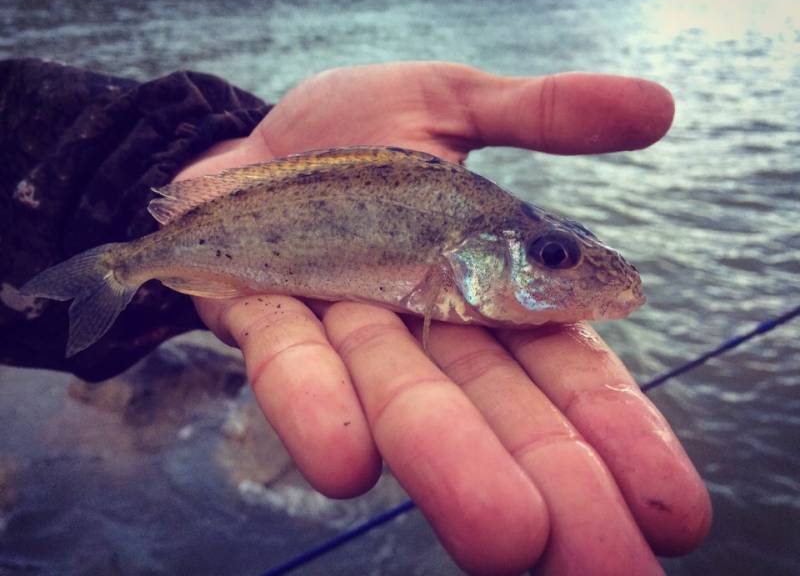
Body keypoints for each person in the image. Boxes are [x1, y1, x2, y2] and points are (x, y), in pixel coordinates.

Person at [0, 59, 711, 574]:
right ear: (479, 253)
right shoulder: (462, 232)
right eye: (553, 257)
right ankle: (110, 273)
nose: (564, 270)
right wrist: (141, 252)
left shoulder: (476, 221)